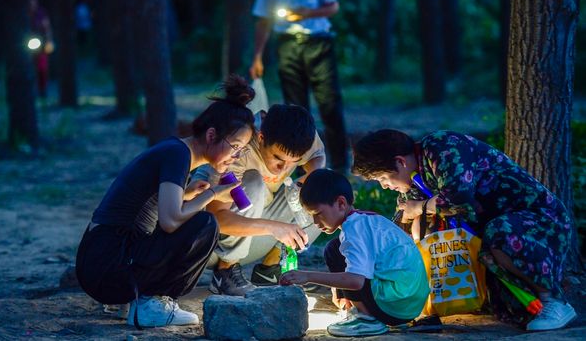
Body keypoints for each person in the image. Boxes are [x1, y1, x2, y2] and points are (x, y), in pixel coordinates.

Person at [75, 75, 256, 328]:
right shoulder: (178, 155)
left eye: (241, 150)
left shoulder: (176, 151)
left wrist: (188, 194)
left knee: (197, 219)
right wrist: (212, 194)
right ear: (212, 135)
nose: (236, 156)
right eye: (235, 146)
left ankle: (136, 299)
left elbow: (148, 206)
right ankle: (151, 303)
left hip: (99, 261)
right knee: (206, 224)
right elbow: (171, 221)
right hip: (107, 264)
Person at [352, 129, 577, 331]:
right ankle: (426, 307)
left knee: (497, 232)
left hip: (537, 225)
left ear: (400, 162)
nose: (384, 185)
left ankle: (554, 301)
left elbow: (460, 199)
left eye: (382, 178)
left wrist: (420, 207)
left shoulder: (443, 148)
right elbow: (402, 225)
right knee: (423, 226)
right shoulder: (415, 178)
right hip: (492, 235)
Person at [192, 104, 325, 295]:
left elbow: (318, 155)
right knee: (254, 181)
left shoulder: (298, 133)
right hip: (211, 245)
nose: (282, 168)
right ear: (261, 137)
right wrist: (273, 227)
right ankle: (225, 271)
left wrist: (311, 177)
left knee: (323, 185)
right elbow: (218, 219)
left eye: (293, 162)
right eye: (278, 158)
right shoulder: (238, 146)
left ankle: (271, 269)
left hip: (252, 236)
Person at [280, 169, 429, 337]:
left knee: (335, 251)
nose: (315, 222)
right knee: (336, 247)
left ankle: (366, 319)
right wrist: (339, 292)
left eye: (318, 214)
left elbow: (355, 281)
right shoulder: (364, 219)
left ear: (341, 203)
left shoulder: (354, 229)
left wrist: (307, 276)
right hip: (409, 302)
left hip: (396, 304)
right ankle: (358, 309)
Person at [249, 0, 348, 172]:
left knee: (330, 103)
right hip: (288, 44)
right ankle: (301, 163)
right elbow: (263, 20)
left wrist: (309, 13)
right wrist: (257, 56)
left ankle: (340, 164)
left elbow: (333, 6)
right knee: (295, 107)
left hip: (318, 42)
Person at [28, 0, 54, 98]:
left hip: (40, 42)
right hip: (29, 42)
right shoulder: (25, 14)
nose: (31, 5)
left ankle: (43, 88)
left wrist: (49, 41)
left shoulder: (41, 13)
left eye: (33, 2)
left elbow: (47, 27)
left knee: (42, 66)